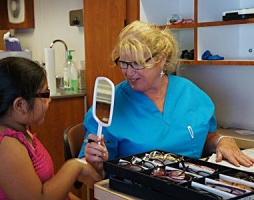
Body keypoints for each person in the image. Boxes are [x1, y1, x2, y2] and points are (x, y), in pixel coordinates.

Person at [78, 20, 254, 175]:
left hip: (188, 186)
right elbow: (90, 175)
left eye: (138, 64)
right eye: (124, 63)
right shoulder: (111, 105)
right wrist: (97, 165)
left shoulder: (190, 94)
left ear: (161, 60)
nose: (129, 72)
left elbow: (205, 138)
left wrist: (222, 141)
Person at [0, 57, 101, 200]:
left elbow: (51, 187)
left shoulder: (20, 132)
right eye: (44, 95)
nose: (49, 100)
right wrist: (74, 166)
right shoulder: (3, 147)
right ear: (20, 105)